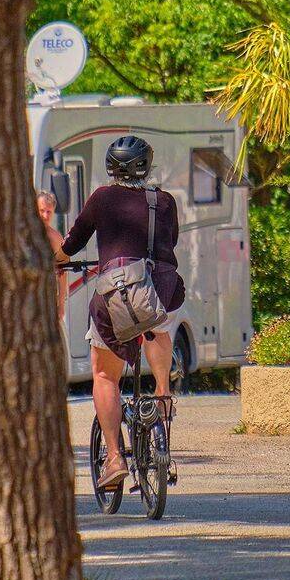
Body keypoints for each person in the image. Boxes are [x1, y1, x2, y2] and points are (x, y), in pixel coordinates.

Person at [57, 136, 186, 489]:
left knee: (104, 376)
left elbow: (73, 243)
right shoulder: (165, 201)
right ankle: (162, 394)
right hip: (161, 288)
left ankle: (114, 459)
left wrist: (59, 259)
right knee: (158, 322)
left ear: (111, 167)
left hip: (117, 296)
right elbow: (168, 244)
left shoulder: (102, 198)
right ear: (147, 165)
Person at [36, 191, 68, 318]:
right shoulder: (24, 233)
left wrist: (61, 304)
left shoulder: (55, 238)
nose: (45, 215)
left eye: (49, 212)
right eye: (41, 210)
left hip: (48, 300)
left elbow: (63, 272)